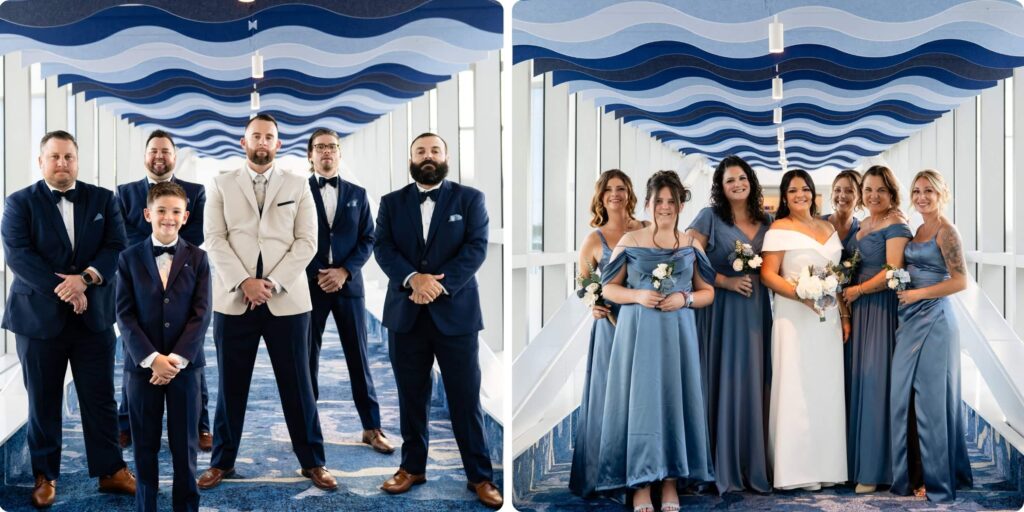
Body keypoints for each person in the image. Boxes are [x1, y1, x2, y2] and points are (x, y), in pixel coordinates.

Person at [198, 113, 337, 491]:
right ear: (243, 143)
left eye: (269, 137)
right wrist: (245, 282)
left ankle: (314, 462)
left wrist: (270, 283)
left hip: (287, 302)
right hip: (234, 300)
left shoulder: (298, 184)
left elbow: (307, 242)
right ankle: (221, 462)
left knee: (299, 386)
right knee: (230, 387)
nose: (262, 143)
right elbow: (215, 238)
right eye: (255, 136)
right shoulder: (222, 183)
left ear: (279, 144)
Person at [1, 130, 135, 508]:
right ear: (41, 161)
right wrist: (66, 289)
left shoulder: (104, 200)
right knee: (42, 401)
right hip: (37, 321)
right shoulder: (18, 203)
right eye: (55, 157)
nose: (62, 164)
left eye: (68, 157)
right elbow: (19, 257)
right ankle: (45, 475)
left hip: (93, 319)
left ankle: (111, 471)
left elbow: (117, 246)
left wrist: (87, 279)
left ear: (77, 160)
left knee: (100, 398)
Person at [374, 133, 502, 508]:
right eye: (420, 151)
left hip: (456, 316)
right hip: (405, 313)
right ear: (410, 158)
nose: (427, 156)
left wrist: (437, 286)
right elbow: (383, 247)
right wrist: (414, 279)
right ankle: (412, 468)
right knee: (411, 398)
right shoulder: (391, 202)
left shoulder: (470, 198)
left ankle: (479, 476)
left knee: (465, 399)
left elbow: (476, 247)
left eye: (434, 150)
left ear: (446, 156)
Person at [596, 170, 715, 512]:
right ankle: (640, 484)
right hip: (638, 335)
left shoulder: (691, 245)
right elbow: (607, 288)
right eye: (658, 200)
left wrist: (685, 299)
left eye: (671, 201)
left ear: (680, 205)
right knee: (643, 405)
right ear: (647, 204)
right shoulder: (632, 242)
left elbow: (707, 293)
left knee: (675, 401)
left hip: (677, 335)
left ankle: (671, 482)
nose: (664, 207)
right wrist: (637, 295)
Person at [117, 182, 212, 512]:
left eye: (175, 212)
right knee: (144, 448)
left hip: (186, 369)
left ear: (185, 217)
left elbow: (202, 314)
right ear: (148, 214)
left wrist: (175, 359)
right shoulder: (128, 258)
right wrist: (152, 358)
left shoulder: (199, 259)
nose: (168, 218)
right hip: (142, 369)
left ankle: (186, 507)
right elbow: (124, 315)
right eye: (161, 211)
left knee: (185, 448)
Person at [115, 130, 212, 452]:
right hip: (138, 281)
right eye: (154, 150)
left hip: (182, 276)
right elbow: (123, 235)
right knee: (134, 355)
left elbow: (196, 233)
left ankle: (200, 425)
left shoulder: (195, 192)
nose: (160, 156)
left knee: (192, 353)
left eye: (166, 151)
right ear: (145, 155)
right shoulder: (124, 193)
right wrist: (148, 251)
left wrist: (168, 244)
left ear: (175, 156)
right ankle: (126, 422)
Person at [685, 155, 772, 494]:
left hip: (754, 311)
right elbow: (689, 257)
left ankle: (750, 463)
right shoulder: (709, 217)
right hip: (718, 309)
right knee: (717, 379)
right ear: (721, 188)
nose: (737, 184)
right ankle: (711, 465)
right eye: (729, 180)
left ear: (750, 181)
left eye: (741, 178)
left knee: (752, 380)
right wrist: (725, 282)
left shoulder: (766, 221)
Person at [304, 128, 393, 454]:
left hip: (349, 287)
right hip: (310, 287)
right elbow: (292, 237)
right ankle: (306, 427)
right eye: (320, 147)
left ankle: (372, 428)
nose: (326, 152)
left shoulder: (358, 192)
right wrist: (319, 273)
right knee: (306, 358)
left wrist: (344, 271)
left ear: (339, 153)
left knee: (359, 358)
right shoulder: (298, 193)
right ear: (310, 154)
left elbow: (368, 238)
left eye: (332, 147)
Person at [760, 169, 847, 491]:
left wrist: (845, 315)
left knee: (826, 388)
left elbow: (837, 276)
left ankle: (828, 466)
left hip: (828, 319)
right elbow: (768, 275)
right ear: (784, 197)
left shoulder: (828, 226)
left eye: (805, 189)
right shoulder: (779, 228)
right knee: (796, 386)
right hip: (794, 316)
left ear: (813, 192)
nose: (801, 195)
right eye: (793, 190)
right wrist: (801, 294)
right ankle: (794, 470)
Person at [891, 169, 973, 501]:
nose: (922, 196)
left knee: (932, 402)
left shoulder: (946, 231)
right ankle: (912, 474)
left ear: (942, 194)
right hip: (910, 319)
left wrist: (917, 295)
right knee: (905, 397)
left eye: (929, 191)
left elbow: (960, 281)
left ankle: (937, 481)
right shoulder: (919, 229)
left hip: (936, 320)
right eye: (917, 191)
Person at [569, 169, 645, 497]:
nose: (615, 194)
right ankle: (605, 474)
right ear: (600, 197)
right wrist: (593, 304)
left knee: (641, 395)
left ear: (630, 193)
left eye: (621, 188)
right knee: (608, 397)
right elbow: (583, 284)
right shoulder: (593, 239)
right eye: (609, 189)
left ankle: (645, 471)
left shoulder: (646, 228)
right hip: (610, 327)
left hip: (644, 322)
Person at [841, 165, 911, 493]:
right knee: (858, 380)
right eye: (868, 189)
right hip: (860, 310)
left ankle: (875, 468)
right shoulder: (865, 223)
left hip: (881, 310)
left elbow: (892, 272)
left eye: (880, 190)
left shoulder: (896, 223)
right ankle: (856, 464)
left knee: (874, 382)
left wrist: (857, 291)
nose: (873, 195)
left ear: (891, 191)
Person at [824, 169, 862, 253]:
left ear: (860, 197)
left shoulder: (862, 229)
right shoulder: (818, 222)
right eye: (837, 190)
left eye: (849, 191)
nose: (842, 195)